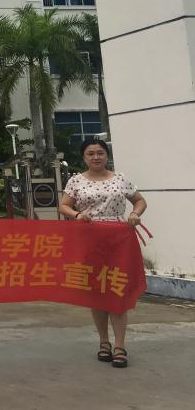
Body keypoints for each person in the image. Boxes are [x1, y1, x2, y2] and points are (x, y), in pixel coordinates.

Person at [58, 138, 147, 368]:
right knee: (97, 292)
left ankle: (120, 346)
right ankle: (104, 342)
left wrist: (134, 214)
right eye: (90, 153)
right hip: (90, 241)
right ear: (84, 157)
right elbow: (64, 205)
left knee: (117, 290)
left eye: (100, 153)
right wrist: (78, 215)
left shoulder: (120, 179)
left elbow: (140, 201)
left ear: (107, 155)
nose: (96, 157)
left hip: (119, 240)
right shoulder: (76, 181)